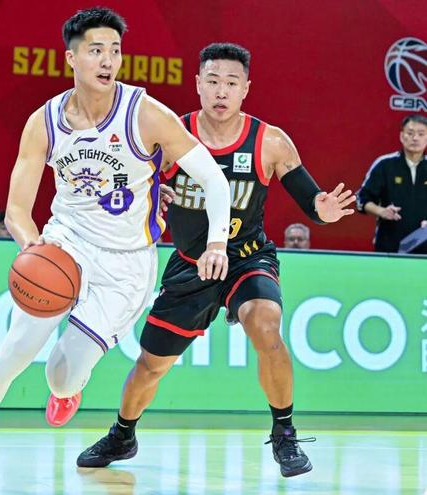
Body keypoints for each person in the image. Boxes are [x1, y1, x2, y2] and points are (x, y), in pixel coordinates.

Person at [0, 8, 232, 491]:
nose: (108, 61)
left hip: (126, 264)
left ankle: (67, 390)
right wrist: (34, 249)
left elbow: (214, 179)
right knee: (12, 354)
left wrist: (217, 243)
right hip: (65, 244)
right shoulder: (43, 122)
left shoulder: (145, 113)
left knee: (62, 375)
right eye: (96, 50)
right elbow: (16, 210)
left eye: (115, 51)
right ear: (71, 58)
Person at [77, 42, 355, 478]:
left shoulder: (270, 142)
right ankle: (123, 434)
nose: (221, 91)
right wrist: (153, 196)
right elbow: (134, 187)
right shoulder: (171, 134)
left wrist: (324, 210)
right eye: (212, 81)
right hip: (191, 263)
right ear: (197, 85)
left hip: (247, 258)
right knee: (151, 365)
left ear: (246, 88)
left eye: (231, 83)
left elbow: (311, 200)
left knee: (266, 324)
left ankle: (284, 432)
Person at [356, 114, 427, 252]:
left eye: (421, 134)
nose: (415, 138)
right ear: (401, 136)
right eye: (410, 133)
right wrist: (381, 211)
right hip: (389, 246)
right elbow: (361, 199)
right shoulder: (385, 165)